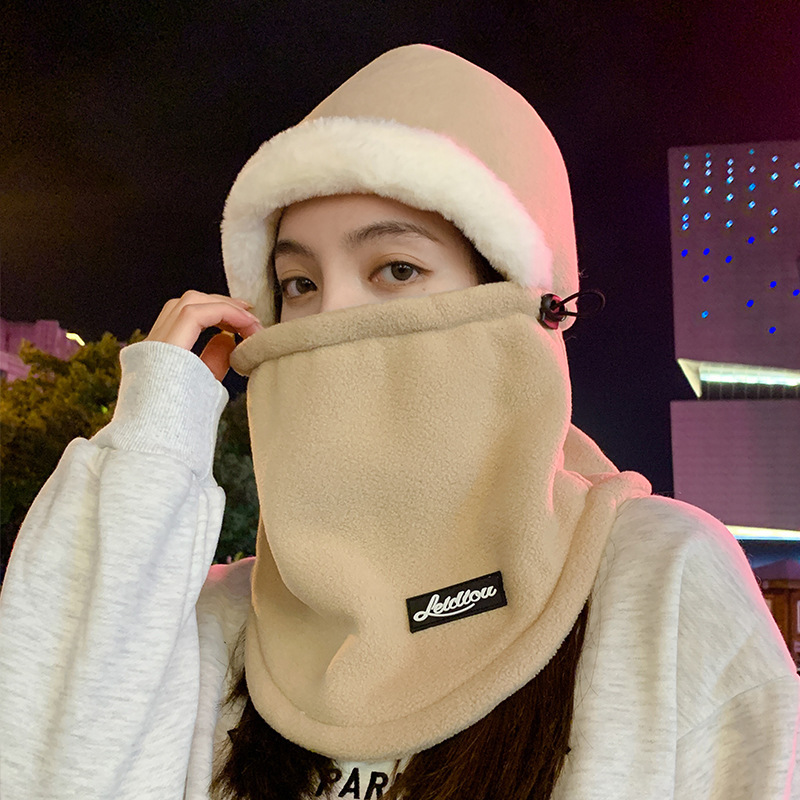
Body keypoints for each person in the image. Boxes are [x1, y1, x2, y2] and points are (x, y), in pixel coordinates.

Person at [0, 45, 797, 800]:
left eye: (397, 268)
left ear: (527, 299)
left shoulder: (660, 582)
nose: (331, 317)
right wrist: (151, 438)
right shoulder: (224, 622)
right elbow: (46, 761)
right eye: (299, 284)